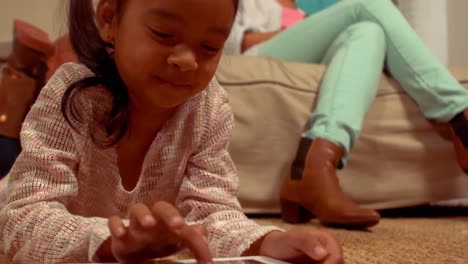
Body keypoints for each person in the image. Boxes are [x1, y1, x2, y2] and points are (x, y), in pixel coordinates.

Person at [0, 0, 344, 263]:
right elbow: (20, 221)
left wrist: (270, 241)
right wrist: (111, 239)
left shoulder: (208, 109)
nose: (187, 60)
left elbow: (213, 214)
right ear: (109, 19)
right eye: (164, 34)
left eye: (210, 47)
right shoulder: (73, 95)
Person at [224, 0, 468, 229]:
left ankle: (312, 168)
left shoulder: (299, 8)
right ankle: (460, 116)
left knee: (368, 31)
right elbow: (228, 39)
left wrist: (312, 27)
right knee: (369, 4)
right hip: (256, 52)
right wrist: (302, 31)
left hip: (306, 51)